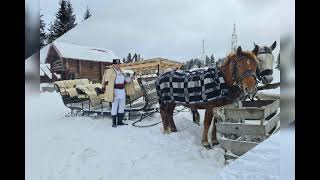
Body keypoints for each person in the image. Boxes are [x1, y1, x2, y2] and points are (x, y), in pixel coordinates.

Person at [101, 59, 135, 127]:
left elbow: (126, 80)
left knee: (122, 107)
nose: (118, 65)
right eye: (116, 64)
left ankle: (120, 121)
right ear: (113, 65)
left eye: (119, 64)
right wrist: (105, 88)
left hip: (122, 91)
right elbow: (105, 81)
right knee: (114, 106)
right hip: (114, 91)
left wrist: (131, 77)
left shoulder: (122, 72)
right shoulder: (110, 72)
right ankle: (114, 122)